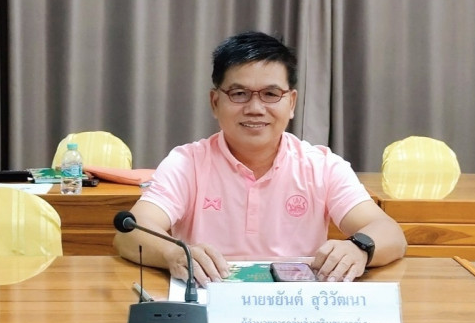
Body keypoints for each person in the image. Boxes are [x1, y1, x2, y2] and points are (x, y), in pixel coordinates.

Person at [114, 31, 406, 285]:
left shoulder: (321, 166)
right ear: (215, 102)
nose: (255, 108)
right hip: (209, 297)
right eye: (239, 93)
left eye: (270, 94)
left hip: (294, 304)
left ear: (291, 103)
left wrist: (359, 248)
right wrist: (173, 253)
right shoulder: (187, 163)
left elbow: (390, 232)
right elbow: (130, 233)